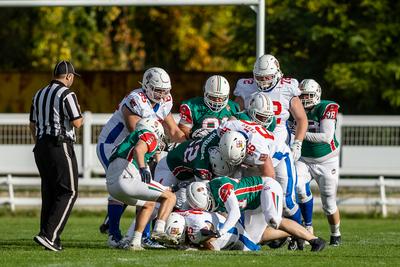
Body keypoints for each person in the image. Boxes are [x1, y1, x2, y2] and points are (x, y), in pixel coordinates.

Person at [97, 67, 186, 248]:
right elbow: (136, 132)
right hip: (112, 146)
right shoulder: (135, 100)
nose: (161, 95)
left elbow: (174, 130)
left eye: (164, 91)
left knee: (144, 188)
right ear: (146, 86)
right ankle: (113, 232)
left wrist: (193, 140)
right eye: (158, 90)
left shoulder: (165, 101)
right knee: (123, 181)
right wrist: (156, 147)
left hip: (137, 148)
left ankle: (142, 235)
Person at [185, 178, 325, 252]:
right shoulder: (205, 191)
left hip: (266, 188)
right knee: (255, 238)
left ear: (206, 194)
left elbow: (234, 213)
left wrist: (220, 231)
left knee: (274, 219)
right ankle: (292, 233)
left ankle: (315, 240)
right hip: (253, 204)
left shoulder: (221, 188)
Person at [29, 60, 83, 251]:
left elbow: (33, 124)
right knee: (70, 191)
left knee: (50, 193)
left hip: (41, 146)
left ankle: (49, 236)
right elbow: (77, 122)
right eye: (72, 78)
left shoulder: (38, 94)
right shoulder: (67, 94)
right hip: (60, 145)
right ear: (68, 77)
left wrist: (40, 144)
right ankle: (49, 236)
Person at [105, 118, 177, 250]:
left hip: (112, 186)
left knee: (148, 204)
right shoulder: (148, 134)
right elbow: (139, 149)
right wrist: (143, 167)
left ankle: (135, 242)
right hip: (126, 179)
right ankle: (159, 229)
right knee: (170, 197)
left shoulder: (129, 139)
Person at [294, 79, 342, 246]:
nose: (305, 99)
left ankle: (335, 233)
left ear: (317, 95)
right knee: (298, 187)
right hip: (304, 159)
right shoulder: (294, 108)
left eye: (309, 95)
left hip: (327, 160)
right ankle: (307, 228)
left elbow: (326, 137)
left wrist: (300, 133)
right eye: (302, 96)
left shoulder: (325, 107)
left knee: (329, 203)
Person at [233, 54, 308, 161]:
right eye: (259, 77)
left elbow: (301, 119)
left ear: (277, 74)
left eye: (267, 77)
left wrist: (297, 144)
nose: (263, 80)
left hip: (279, 142)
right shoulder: (246, 87)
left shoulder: (287, 88)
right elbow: (236, 115)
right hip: (252, 141)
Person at [178, 75, 241, 139]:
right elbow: (183, 128)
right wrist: (192, 136)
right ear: (205, 93)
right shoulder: (193, 106)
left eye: (220, 98)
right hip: (199, 145)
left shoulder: (233, 107)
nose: (217, 100)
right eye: (213, 97)